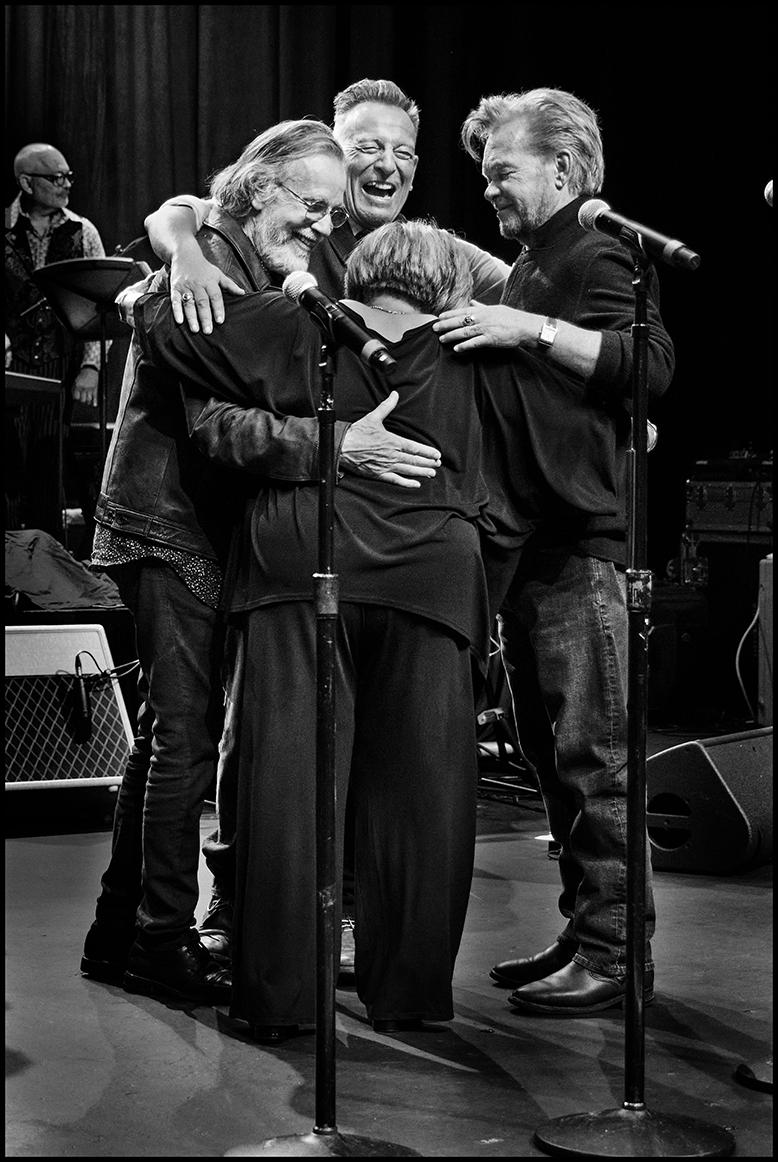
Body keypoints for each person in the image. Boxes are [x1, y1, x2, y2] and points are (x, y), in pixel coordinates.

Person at [132, 215, 611, 1040]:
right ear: (449, 286)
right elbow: (567, 444)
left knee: (288, 787)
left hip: (302, 564)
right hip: (431, 573)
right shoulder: (483, 355)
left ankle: (280, 998)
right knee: (423, 797)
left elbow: (166, 334)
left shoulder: (296, 327)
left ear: (359, 271)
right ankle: (411, 994)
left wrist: (182, 256)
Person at [142, 77, 512, 969]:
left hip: (362, 546)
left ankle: (319, 930)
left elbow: (526, 299)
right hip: (240, 521)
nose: (380, 164)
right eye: (362, 148)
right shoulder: (272, 243)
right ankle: (223, 916)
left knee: (361, 756)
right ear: (326, 161)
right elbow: (189, 228)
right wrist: (173, 259)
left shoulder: (411, 261)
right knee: (244, 739)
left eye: (401, 151)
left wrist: (596, 384)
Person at [80, 119, 440, 1009]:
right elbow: (214, 426)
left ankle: (118, 930)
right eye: (310, 204)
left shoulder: (232, 257)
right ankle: (159, 941)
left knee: (171, 735)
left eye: (328, 209)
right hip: (168, 524)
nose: (322, 223)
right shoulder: (210, 264)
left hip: (182, 522)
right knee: (185, 739)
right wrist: (339, 446)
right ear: (260, 185)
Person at [433, 88, 675, 1015]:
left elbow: (647, 365)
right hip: (534, 544)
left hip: (582, 547)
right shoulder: (535, 260)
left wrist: (522, 327)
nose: (489, 189)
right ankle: (587, 931)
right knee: (551, 756)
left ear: (564, 171)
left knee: (595, 755)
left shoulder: (598, 248)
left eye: (503, 171)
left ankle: (616, 952)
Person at [5, 142, 105, 537]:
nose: (66, 185)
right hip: (10, 362)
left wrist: (91, 366)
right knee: (8, 463)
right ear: (27, 182)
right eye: (55, 177)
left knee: (49, 465)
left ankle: (47, 559)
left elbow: (100, 304)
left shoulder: (82, 231)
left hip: (57, 361)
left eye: (68, 176)